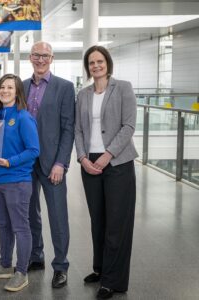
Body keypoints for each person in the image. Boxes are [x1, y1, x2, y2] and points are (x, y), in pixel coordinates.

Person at [75, 45, 138, 299]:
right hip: (89, 163)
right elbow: (79, 130)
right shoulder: (83, 94)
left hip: (118, 163)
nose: (96, 66)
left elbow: (129, 125)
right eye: (91, 63)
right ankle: (100, 269)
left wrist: (107, 155)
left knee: (116, 225)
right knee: (98, 221)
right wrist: (82, 158)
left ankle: (113, 280)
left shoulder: (123, 88)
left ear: (108, 63)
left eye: (100, 61)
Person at [22, 41, 75, 288]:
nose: (40, 59)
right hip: (26, 163)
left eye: (45, 55)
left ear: (51, 58)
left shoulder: (64, 88)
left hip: (52, 163)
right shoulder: (21, 87)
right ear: (30, 57)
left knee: (57, 216)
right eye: (36, 55)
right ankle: (36, 255)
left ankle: (61, 265)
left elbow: (68, 128)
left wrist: (61, 163)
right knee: (31, 213)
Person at [0, 74, 40, 292]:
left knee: (20, 227)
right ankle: (5, 264)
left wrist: (9, 162)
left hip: (16, 181)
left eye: (10, 87)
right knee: (3, 225)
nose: (5, 90)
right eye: (2, 87)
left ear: (17, 93)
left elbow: (34, 150)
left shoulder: (24, 118)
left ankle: (21, 272)